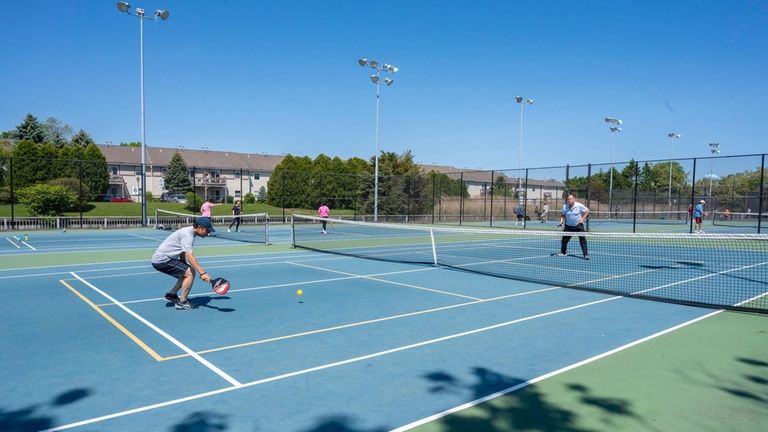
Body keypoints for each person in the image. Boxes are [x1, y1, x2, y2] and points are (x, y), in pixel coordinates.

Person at [151, 217, 215, 310]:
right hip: (162, 260)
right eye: (207, 230)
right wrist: (203, 273)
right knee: (190, 273)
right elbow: (189, 255)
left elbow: (182, 251)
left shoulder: (189, 232)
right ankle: (182, 302)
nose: (208, 233)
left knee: (186, 272)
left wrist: (184, 263)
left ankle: (171, 295)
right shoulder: (188, 235)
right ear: (200, 227)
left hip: (164, 259)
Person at [558, 193, 590, 260]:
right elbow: (562, 215)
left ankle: (585, 255)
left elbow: (587, 211)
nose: (569, 200)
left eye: (571, 199)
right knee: (564, 240)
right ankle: (563, 252)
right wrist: (561, 222)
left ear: (574, 199)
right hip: (568, 226)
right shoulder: (565, 206)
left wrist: (583, 219)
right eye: (568, 199)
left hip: (578, 226)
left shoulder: (578, 205)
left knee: (582, 240)